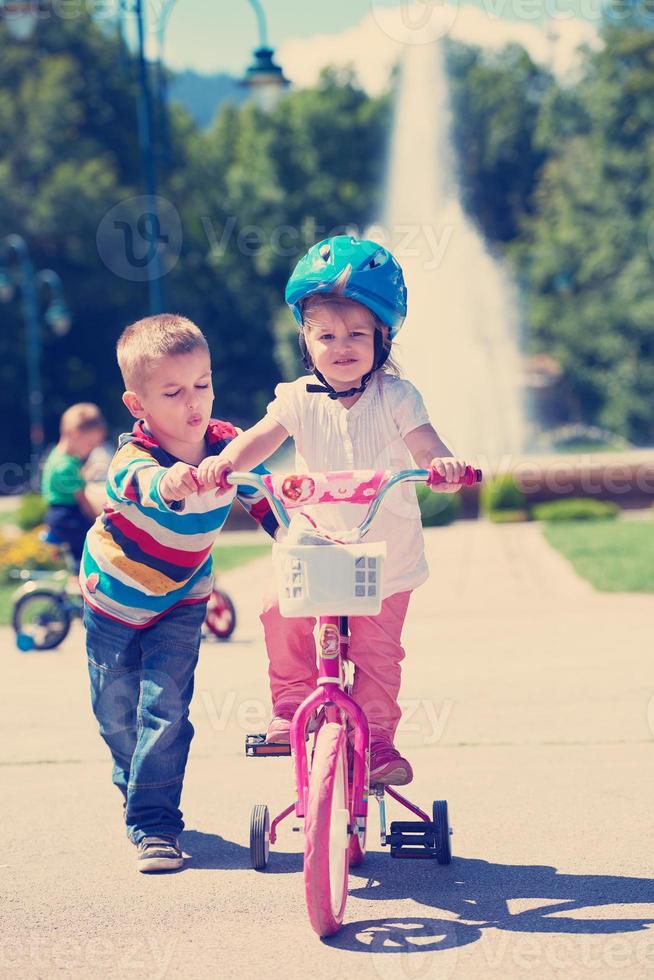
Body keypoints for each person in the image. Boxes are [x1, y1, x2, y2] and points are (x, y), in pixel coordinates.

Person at [197, 235, 470, 787]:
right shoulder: (296, 397)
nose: (341, 345)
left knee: (376, 653)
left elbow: (425, 444)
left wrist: (441, 467)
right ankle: (291, 708)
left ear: (382, 338)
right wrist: (224, 463)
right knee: (279, 610)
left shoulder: (397, 397)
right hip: (316, 547)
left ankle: (379, 743)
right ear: (306, 339)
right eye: (326, 335)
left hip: (384, 557)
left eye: (356, 334)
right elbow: (260, 439)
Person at [80, 314, 278, 873]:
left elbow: (264, 498)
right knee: (115, 716)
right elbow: (134, 482)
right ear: (138, 404)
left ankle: (156, 826)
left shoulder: (228, 447)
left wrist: (293, 535)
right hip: (112, 599)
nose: (193, 403)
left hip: (182, 602)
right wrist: (168, 482)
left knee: (165, 711)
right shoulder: (134, 457)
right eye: (172, 392)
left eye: (202, 384)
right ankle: (138, 786)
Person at [41, 403, 107, 571]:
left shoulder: (59, 456)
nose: (91, 450)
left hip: (57, 514)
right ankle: (81, 581)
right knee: (91, 542)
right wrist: (96, 519)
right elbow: (82, 499)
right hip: (67, 516)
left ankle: (77, 578)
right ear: (75, 435)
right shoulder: (65, 466)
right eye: (90, 444)